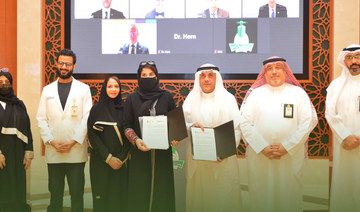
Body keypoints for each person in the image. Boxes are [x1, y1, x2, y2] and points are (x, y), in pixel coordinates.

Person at [239, 56, 317, 212]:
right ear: (264, 73)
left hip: (290, 156)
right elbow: (244, 123)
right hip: (260, 156)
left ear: (285, 71)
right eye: (269, 68)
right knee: (261, 195)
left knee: (289, 195)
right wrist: (261, 146)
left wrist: (287, 146)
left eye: (278, 67)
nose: (274, 72)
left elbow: (308, 122)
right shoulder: (255, 94)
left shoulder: (298, 94)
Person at [36, 49, 92, 212]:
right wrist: (51, 141)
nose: (64, 67)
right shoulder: (47, 90)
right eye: (61, 63)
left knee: (76, 195)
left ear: (74, 66)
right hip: (54, 152)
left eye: (68, 64)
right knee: (55, 195)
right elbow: (41, 118)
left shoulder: (84, 89)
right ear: (56, 64)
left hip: (75, 152)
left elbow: (86, 118)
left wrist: (73, 141)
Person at [182, 64, 242, 212]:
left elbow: (237, 128)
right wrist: (191, 126)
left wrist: (223, 152)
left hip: (223, 161)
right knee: (200, 200)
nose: (206, 79)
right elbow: (182, 126)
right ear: (198, 79)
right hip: (199, 163)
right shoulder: (190, 100)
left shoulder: (228, 99)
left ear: (217, 78)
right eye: (203, 76)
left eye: (211, 75)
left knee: (223, 199)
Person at [123, 61, 176, 212]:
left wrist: (175, 137)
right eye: (144, 75)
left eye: (151, 75)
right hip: (140, 154)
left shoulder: (167, 96)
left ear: (157, 76)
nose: (148, 77)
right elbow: (126, 125)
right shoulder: (132, 98)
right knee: (140, 193)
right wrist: (136, 140)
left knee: (162, 191)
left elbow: (175, 123)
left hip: (162, 155)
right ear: (139, 77)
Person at [88, 76, 131, 212]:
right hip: (101, 162)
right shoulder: (96, 110)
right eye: (110, 86)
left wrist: (120, 158)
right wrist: (108, 158)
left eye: (116, 86)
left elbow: (130, 133)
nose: (113, 89)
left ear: (120, 89)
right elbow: (92, 136)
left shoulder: (125, 109)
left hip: (120, 163)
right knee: (101, 201)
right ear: (104, 88)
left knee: (119, 200)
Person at [326, 44, 360, 212]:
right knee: (345, 185)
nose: (354, 61)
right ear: (344, 61)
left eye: (358, 56)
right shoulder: (335, 85)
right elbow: (330, 114)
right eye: (349, 57)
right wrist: (345, 136)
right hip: (344, 145)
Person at [0, 68, 33, 212]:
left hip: (18, 153)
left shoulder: (19, 104)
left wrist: (28, 152)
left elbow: (27, 128)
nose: (4, 84)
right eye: (0, 82)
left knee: (18, 187)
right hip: (1, 155)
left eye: (7, 82)